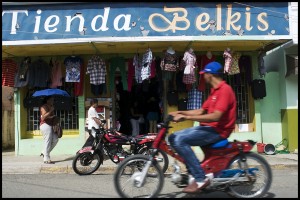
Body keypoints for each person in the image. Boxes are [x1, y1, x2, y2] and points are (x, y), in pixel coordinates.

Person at [169, 61, 237, 193]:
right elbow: (201, 111)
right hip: (208, 129)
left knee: (180, 140)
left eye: (204, 73)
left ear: (210, 75)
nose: (203, 76)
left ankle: (200, 178)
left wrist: (187, 118)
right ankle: (192, 170)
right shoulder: (214, 91)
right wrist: (180, 112)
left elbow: (216, 117)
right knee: (173, 137)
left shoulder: (225, 90)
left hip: (218, 131)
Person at [39, 96, 58, 164]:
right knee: (47, 141)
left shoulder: (50, 106)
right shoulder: (44, 106)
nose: (53, 101)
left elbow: (49, 116)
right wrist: (51, 111)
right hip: (45, 125)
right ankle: (46, 159)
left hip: (50, 125)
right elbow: (43, 117)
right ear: (47, 100)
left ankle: (44, 152)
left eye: (53, 99)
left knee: (55, 139)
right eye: (51, 99)